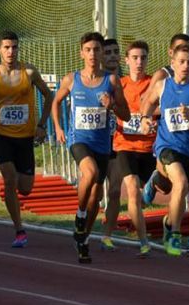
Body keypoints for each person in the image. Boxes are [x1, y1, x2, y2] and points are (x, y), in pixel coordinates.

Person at [51, 31, 130, 263]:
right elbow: (56, 102)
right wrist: (58, 128)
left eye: (97, 50)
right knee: (90, 172)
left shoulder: (112, 81)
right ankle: (80, 214)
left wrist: (112, 104)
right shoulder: (72, 79)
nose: (93, 54)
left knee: (97, 195)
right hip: (79, 140)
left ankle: (83, 238)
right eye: (89, 50)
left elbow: (126, 113)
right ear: (81, 53)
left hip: (102, 144)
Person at [0, 30, 53, 247]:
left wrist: (42, 125)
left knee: (25, 188)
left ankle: (13, 194)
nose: (11, 51)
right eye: (6, 47)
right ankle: (19, 230)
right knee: (9, 179)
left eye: (14, 47)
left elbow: (49, 95)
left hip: (25, 137)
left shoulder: (29, 71)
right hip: (2, 136)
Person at [142, 33, 189, 253]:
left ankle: (171, 223)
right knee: (180, 183)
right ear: (173, 63)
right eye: (181, 62)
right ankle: (175, 235)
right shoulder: (162, 84)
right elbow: (148, 103)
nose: (186, 66)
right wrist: (145, 119)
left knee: (183, 189)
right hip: (167, 146)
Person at [101, 40, 156, 257]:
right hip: (122, 145)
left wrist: (151, 114)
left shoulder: (155, 83)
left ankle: (148, 195)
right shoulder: (118, 83)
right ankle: (139, 241)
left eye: (143, 57)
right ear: (128, 60)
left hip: (149, 148)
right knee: (121, 190)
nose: (139, 62)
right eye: (134, 58)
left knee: (143, 194)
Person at [101, 38, 123, 251]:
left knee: (115, 190)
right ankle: (85, 224)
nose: (112, 56)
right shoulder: (96, 80)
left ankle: (107, 235)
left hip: (119, 142)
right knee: (95, 191)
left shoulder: (126, 79)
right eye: (107, 52)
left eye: (116, 51)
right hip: (97, 141)